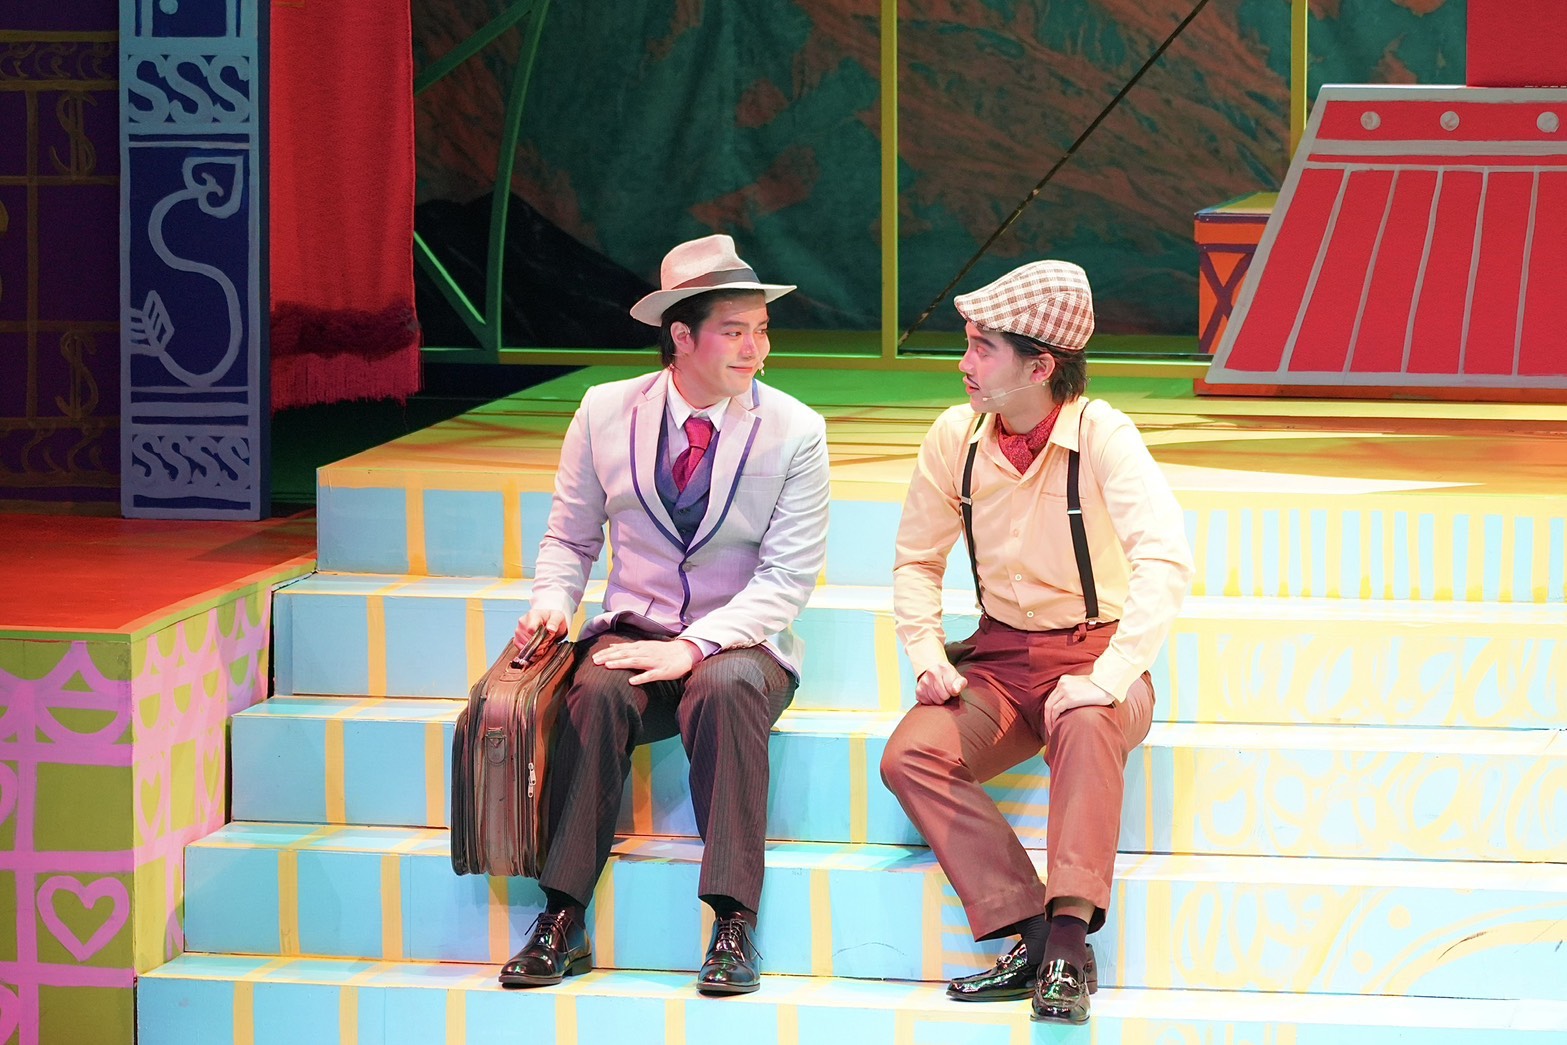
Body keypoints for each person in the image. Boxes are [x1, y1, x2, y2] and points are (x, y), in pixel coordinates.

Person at [497, 234, 830, 996]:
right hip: (635, 627)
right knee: (595, 689)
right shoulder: (604, 411)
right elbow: (570, 537)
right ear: (681, 336)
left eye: (761, 330)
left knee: (724, 687)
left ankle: (733, 921)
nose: (755, 349)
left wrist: (695, 646)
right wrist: (551, 601)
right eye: (734, 331)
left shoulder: (795, 430)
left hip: (741, 638)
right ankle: (561, 914)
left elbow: (785, 580)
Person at [879, 260, 1193, 1024]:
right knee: (910, 754)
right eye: (967, 343)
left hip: (1094, 651)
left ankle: (1067, 947)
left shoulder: (1101, 435)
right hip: (997, 659)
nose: (963, 362)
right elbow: (916, 561)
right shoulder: (954, 437)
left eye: (981, 347)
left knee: (1084, 721)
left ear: (1039, 366)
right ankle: (1031, 933)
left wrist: (1110, 674)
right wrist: (927, 657)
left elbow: (1164, 560)